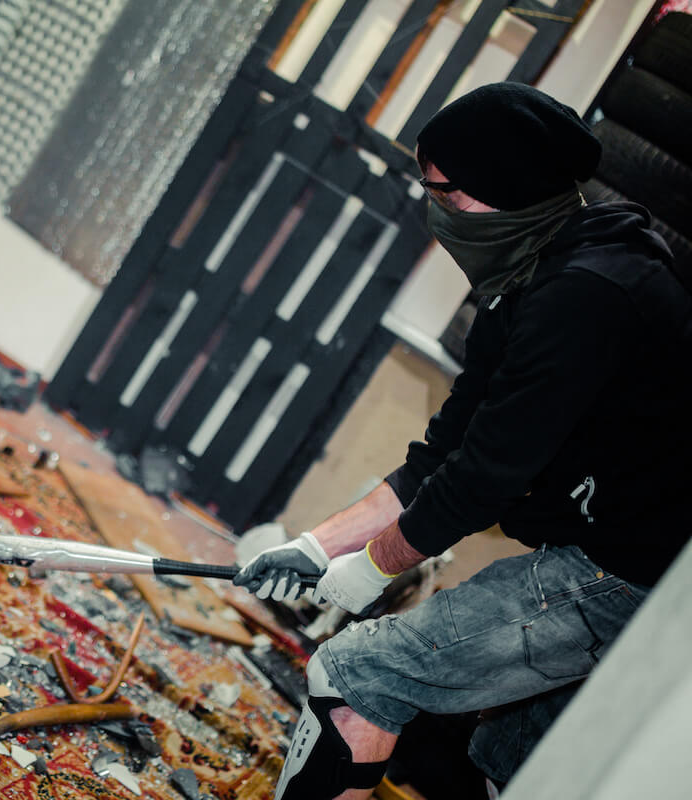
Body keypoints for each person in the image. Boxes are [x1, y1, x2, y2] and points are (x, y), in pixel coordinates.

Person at [232, 81, 692, 800]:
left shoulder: (589, 295)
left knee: (353, 677)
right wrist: (320, 546)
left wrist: (369, 572)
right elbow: (440, 455)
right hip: (612, 554)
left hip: (636, 574)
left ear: (501, 184)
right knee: (514, 760)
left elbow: (484, 478)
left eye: (444, 190)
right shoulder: (530, 277)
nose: (433, 206)